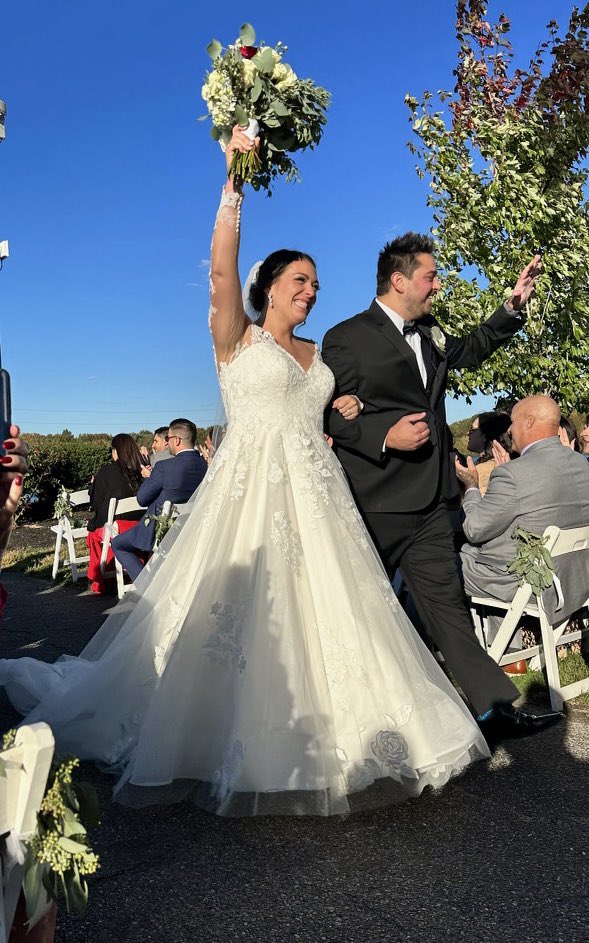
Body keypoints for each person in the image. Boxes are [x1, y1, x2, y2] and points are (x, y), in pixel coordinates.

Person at [0, 127, 489, 818]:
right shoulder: (236, 336)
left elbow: (344, 408)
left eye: (317, 284)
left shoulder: (320, 354)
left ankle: (362, 733)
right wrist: (234, 176)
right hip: (248, 497)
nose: (311, 292)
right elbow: (221, 268)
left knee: (337, 613)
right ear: (269, 287)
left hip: (318, 497)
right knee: (237, 619)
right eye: (300, 281)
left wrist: (347, 406)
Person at [322, 233, 560, 738]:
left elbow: (470, 350)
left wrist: (511, 307)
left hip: (432, 499)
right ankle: (343, 719)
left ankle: (494, 710)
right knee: (354, 608)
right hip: (376, 500)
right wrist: (383, 433)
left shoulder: (429, 329)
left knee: (448, 607)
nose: (438, 285)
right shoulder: (346, 338)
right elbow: (325, 413)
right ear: (399, 279)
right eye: (430, 276)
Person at [457, 395, 589, 603]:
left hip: (523, 583)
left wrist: (472, 486)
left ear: (528, 422)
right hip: (574, 581)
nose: (509, 430)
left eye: (512, 422)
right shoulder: (582, 464)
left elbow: (474, 530)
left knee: (437, 569)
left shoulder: (513, 473)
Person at [111, 419, 207, 582]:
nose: (168, 443)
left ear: (176, 440)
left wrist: (149, 477)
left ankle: (146, 588)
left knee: (118, 544)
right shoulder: (204, 465)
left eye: (168, 439)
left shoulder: (164, 467)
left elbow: (142, 499)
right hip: (190, 528)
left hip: (159, 530)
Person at [86, 434, 144, 594]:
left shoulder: (106, 472)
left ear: (116, 451)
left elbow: (96, 503)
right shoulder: (142, 470)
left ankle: (104, 579)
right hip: (141, 526)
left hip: (117, 528)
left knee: (93, 534)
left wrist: (93, 486)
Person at [466, 411, 512, 495]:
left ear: (485, 434)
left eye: (472, 429)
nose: (468, 433)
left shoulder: (482, 471)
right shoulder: (512, 461)